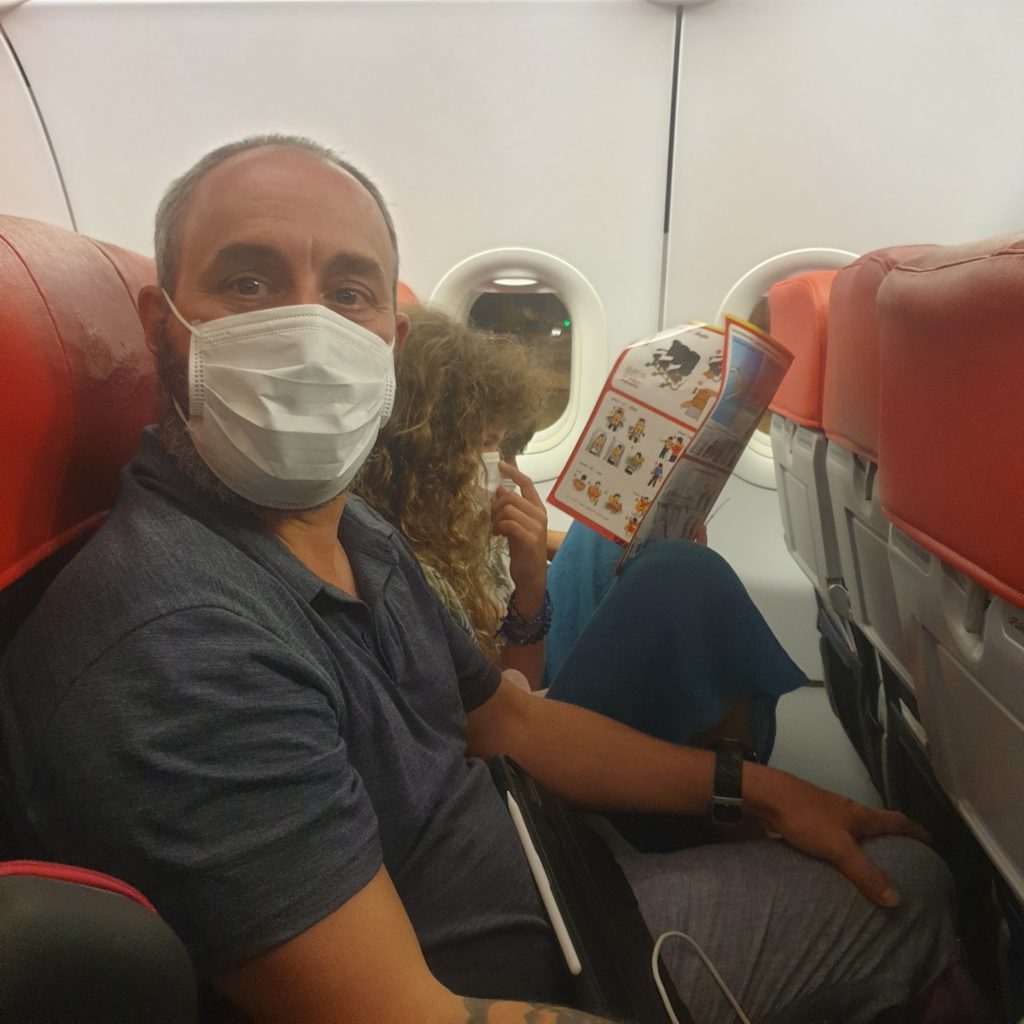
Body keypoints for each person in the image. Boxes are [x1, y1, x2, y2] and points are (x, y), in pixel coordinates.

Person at [1, 135, 956, 1024]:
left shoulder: (351, 525)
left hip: (553, 867)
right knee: (916, 890)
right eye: (247, 281)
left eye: (348, 292)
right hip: (553, 971)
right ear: (160, 326)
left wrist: (759, 791)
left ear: (391, 344)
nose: (307, 327)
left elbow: (511, 722)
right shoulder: (175, 644)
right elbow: (407, 1013)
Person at [357, 309, 803, 770]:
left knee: (608, 536)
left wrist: (545, 546)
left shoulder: (432, 520)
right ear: (431, 453)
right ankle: (729, 775)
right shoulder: (406, 577)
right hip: (519, 720)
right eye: (486, 443)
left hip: (519, 675)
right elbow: (511, 711)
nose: (498, 461)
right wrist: (530, 585)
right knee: (685, 575)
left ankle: (715, 744)